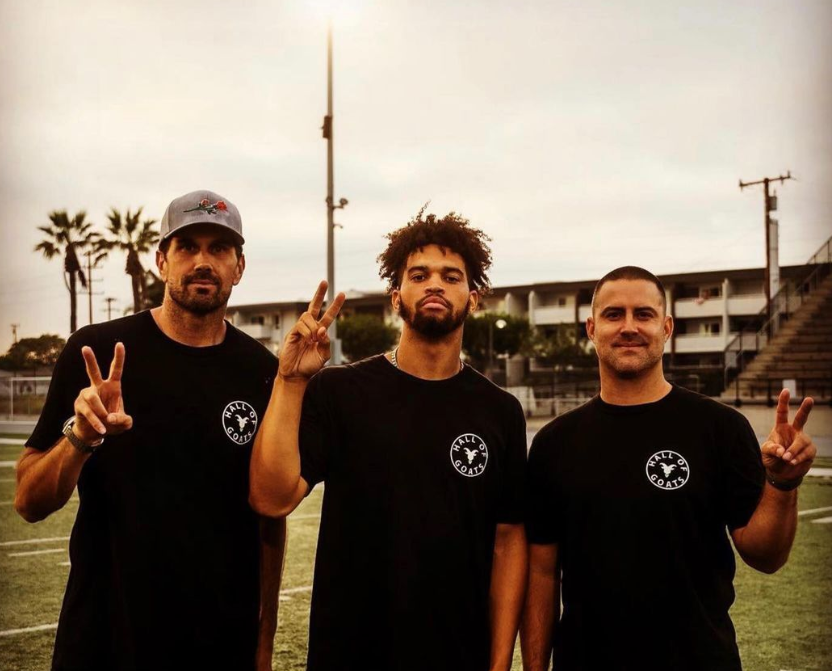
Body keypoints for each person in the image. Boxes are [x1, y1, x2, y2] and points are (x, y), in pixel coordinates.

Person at [15, 190, 287, 671]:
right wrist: (81, 437)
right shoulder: (95, 350)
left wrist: (262, 647)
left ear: (239, 267)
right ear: (162, 260)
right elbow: (29, 502)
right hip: (104, 641)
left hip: (219, 645)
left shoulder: (263, 373)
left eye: (219, 249)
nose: (203, 261)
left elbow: (269, 521)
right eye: (187, 247)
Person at [250, 211, 529, 671]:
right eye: (419, 275)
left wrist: (498, 664)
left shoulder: (499, 411)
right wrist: (290, 381)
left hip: (456, 654)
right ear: (396, 296)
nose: (434, 284)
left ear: (473, 298)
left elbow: (508, 542)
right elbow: (270, 497)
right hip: (349, 652)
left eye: (450, 276)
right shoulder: (339, 391)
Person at [521, 265, 817, 671]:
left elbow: (766, 556)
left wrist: (783, 484)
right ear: (591, 328)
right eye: (613, 315)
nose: (628, 327)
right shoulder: (553, 443)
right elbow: (540, 573)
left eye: (643, 314)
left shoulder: (720, 428)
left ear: (667, 327)